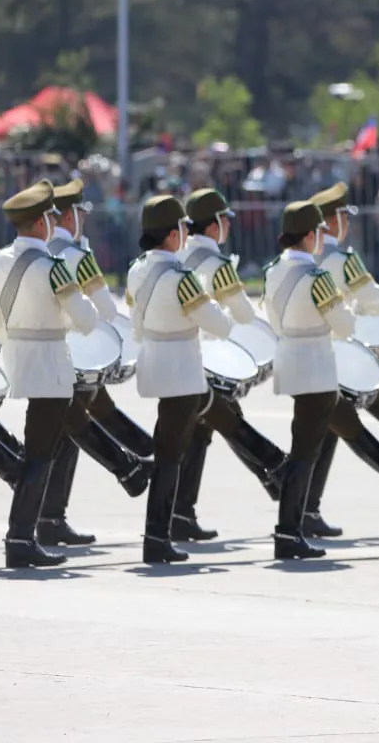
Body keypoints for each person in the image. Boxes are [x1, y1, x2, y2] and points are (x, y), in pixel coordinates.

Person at [0, 180, 100, 568]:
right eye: (51, 216)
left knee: (38, 450)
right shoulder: (52, 268)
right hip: (50, 363)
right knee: (40, 455)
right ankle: (20, 538)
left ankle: (24, 534)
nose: (55, 222)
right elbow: (87, 319)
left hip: (19, 357)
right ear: (39, 223)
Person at [303, 182, 379, 538]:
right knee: (345, 419)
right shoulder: (342, 260)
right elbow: (374, 300)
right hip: (340, 352)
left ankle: (308, 508)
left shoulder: (307, 258)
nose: (348, 224)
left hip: (311, 354)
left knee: (328, 431)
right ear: (331, 221)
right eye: (343, 217)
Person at [39, 178, 152, 547]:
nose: (83, 220)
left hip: (43, 354)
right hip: (80, 354)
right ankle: (50, 516)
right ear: (67, 216)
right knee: (68, 434)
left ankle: (51, 515)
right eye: (80, 214)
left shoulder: (37, 253)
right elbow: (104, 308)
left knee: (68, 429)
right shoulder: (76, 256)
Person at [126, 195, 237, 564]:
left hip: (154, 361)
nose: (187, 235)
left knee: (168, 451)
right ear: (173, 235)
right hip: (182, 371)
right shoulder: (181, 277)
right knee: (171, 457)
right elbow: (219, 325)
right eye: (185, 229)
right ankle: (158, 537)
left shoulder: (138, 269)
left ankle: (162, 531)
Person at [175, 188, 288, 541]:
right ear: (212, 226)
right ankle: (280, 476)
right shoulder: (216, 266)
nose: (227, 227)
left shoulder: (177, 258)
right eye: (224, 221)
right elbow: (240, 313)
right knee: (225, 425)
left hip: (184, 360)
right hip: (210, 361)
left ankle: (182, 512)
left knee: (201, 433)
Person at [264, 200, 364, 559]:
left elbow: (273, 318)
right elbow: (345, 325)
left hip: (290, 358)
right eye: (320, 232)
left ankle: (290, 529)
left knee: (303, 450)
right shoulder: (318, 278)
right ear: (308, 236)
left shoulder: (275, 270)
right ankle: (289, 532)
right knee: (305, 455)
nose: (324, 238)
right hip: (316, 365)